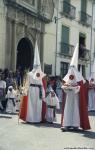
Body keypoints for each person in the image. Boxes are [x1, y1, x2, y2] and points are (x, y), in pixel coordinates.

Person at [61, 43, 90, 131]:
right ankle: (66, 124)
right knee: (68, 109)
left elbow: (83, 85)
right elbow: (64, 84)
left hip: (76, 95)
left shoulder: (79, 75)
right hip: (69, 95)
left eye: (73, 66)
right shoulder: (68, 74)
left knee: (75, 109)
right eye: (71, 66)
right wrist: (66, 86)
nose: (72, 68)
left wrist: (77, 88)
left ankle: (75, 124)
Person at [19, 40, 46, 123]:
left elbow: (42, 85)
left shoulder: (41, 74)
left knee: (37, 105)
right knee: (31, 105)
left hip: (37, 91)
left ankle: (37, 118)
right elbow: (27, 83)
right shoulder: (30, 74)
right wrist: (24, 91)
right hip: (32, 90)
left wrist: (43, 93)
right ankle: (30, 118)